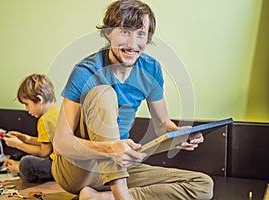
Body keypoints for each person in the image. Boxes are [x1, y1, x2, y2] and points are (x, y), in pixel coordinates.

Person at [52, 0, 214, 199]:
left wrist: (179, 134)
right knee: (103, 93)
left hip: (119, 166)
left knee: (202, 186)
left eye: (141, 34)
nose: (132, 44)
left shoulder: (151, 69)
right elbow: (60, 143)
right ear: (107, 33)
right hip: (78, 170)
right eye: (124, 32)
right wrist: (110, 149)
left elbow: (163, 124)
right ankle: (122, 196)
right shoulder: (86, 71)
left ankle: (100, 197)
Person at [3, 73, 59, 183]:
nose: (26, 109)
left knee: (26, 163)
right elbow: (47, 143)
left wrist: (17, 144)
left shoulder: (44, 120)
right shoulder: (56, 112)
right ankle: (18, 164)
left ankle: (18, 168)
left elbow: (44, 152)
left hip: (56, 165)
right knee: (20, 155)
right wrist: (25, 138)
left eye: (27, 104)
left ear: (39, 100)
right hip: (59, 160)